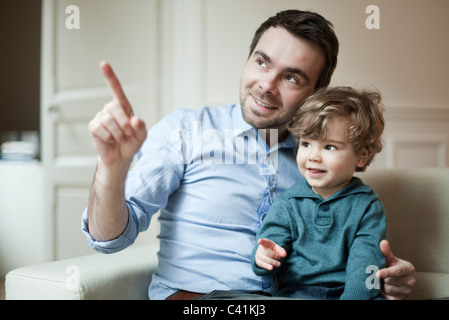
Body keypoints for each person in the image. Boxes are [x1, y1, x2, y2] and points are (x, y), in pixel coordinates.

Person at [82, 9, 415, 300]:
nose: (267, 85)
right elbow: (107, 240)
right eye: (261, 62)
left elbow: (349, 250)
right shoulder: (185, 131)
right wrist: (112, 168)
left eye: (291, 77)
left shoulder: (321, 164)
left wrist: (382, 279)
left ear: (316, 93)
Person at [252, 86, 387, 300]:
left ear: (361, 155)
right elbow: (270, 245)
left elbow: (366, 260)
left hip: (352, 294)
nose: (313, 156)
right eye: (306, 143)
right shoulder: (289, 203)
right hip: (298, 294)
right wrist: (265, 257)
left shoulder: (367, 204)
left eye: (330, 147)